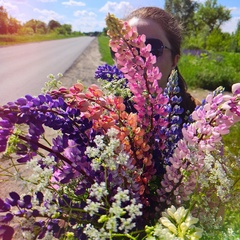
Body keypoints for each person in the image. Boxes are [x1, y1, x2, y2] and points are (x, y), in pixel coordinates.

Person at [118, 7, 200, 120]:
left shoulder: (200, 118)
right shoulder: (104, 114)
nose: (135, 59)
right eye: (125, 49)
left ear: (174, 60)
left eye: (151, 48)